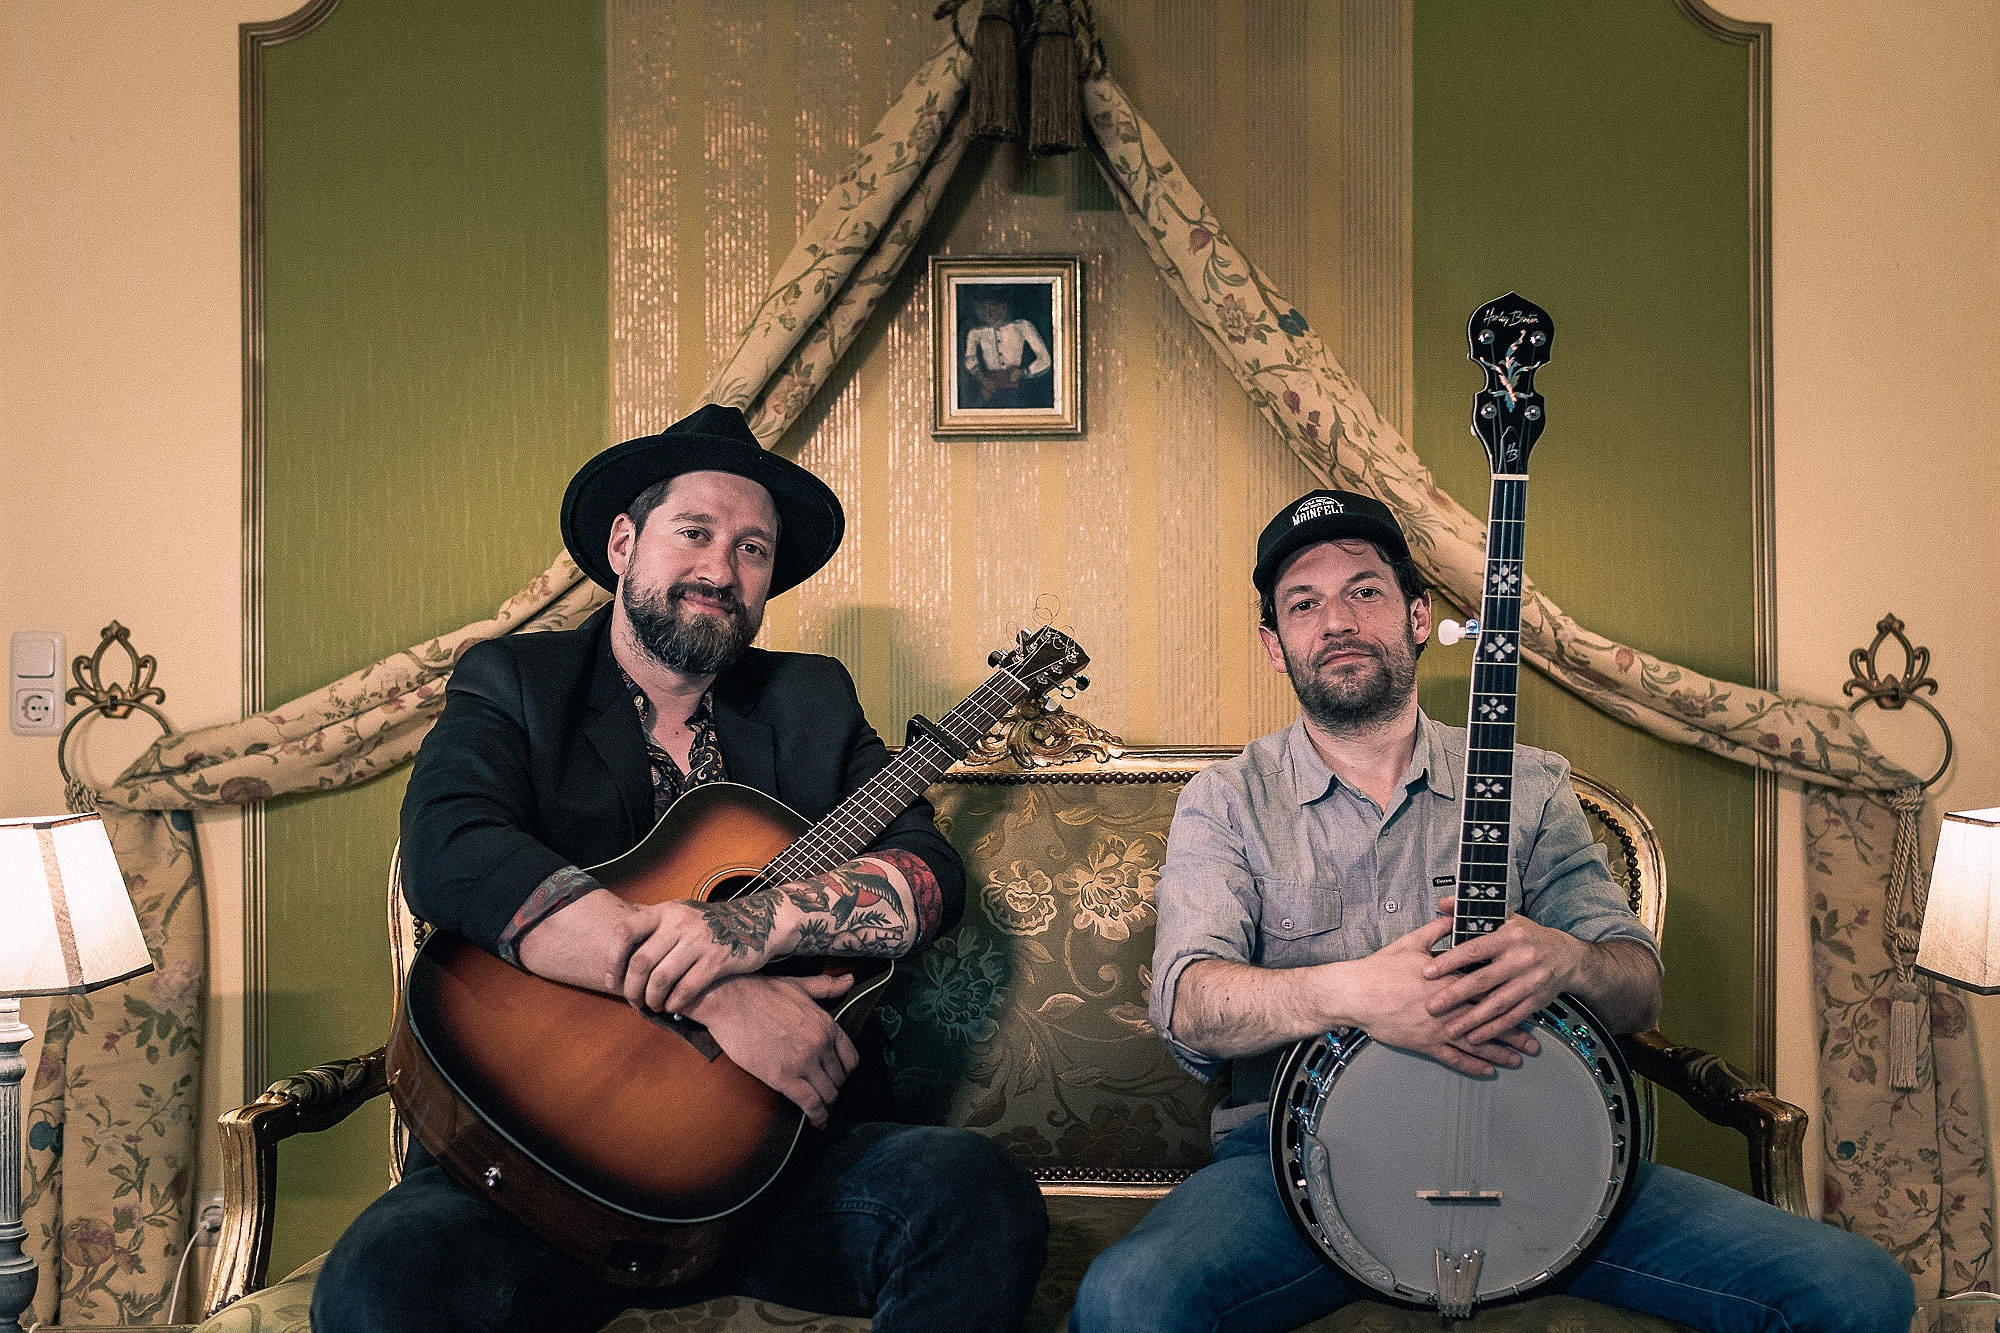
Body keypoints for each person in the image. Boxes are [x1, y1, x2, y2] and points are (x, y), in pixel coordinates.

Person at [1070, 491, 1915, 1333]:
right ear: (1274, 644)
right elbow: (1189, 1004)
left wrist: (1570, 959)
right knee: (1129, 1297)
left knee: (1854, 1287)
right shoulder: (1225, 801)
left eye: (1364, 590)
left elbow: (1638, 990)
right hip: (1295, 1171)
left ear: (1416, 615)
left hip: (1537, 1154)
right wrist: (1354, 992)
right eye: (1304, 603)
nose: (1337, 620)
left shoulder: (1530, 782)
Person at [313, 404, 1047, 1333]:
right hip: (527, 1165)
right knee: (382, 1280)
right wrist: (711, 990)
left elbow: (927, 873)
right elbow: (450, 847)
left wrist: (748, 928)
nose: (721, 569)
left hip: (769, 1163)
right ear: (624, 543)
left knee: (976, 1194)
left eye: (752, 548)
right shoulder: (516, 681)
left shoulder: (812, 698)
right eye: (694, 532)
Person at [961, 292, 1053, 410]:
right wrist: (981, 379)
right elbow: (969, 359)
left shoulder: (1022, 326)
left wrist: (1024, 372)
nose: (988, 312)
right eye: (984, 308)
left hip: (1019, 391)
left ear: (1003, 307)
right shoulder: (976, 333)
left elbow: (1045, 359)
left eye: (993, 306)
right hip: (990, 391)